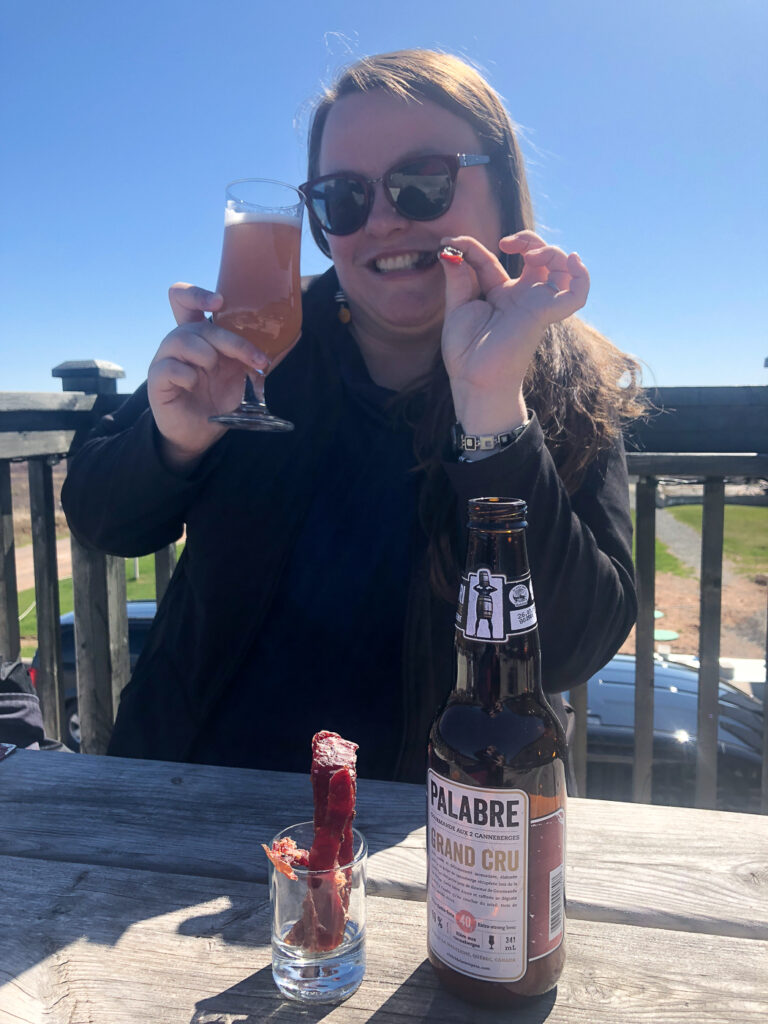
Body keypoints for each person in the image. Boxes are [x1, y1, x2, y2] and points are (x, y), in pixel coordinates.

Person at [61, 49, 644, 783]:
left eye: (423, 183)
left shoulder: (563, 386)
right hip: (188, 793)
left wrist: (493, 406)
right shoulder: (257, 343)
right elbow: (102, 519)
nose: (383, 221)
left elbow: (573, 646)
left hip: (426, 832)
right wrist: (170, 442)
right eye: (343, 197)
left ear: (503, 193)